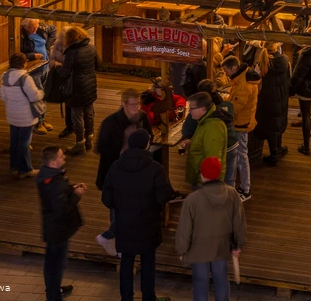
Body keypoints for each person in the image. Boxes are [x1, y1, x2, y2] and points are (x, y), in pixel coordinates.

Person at [102, 129, 174, 301]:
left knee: (126, 263)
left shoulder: (116, 167)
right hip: (148, 225)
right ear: (147, 144)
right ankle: (149, 297)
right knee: (148, 262)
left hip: (125, 225)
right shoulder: (156, 169)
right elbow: (164, 196)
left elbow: (107, 199)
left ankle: (126, 298)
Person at [177, 155, 246, 301]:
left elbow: (184, 228)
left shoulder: (192, 200)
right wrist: (238, 244)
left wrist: (181, 249)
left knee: (200, 283)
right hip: (221, 247)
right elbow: (239, 221)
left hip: (198, 249)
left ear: (202, 174)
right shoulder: (232, 194)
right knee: (221, 281)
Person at [38, 146, 84, 301]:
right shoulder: (53, 183)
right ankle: (53, 295)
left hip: (53, 227)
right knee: (56, 265)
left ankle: (53, 290)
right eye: (60, 156)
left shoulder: (50, 176)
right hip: (58, 229)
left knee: (52, 261)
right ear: (52, 162)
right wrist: (76, 195)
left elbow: (58, 197)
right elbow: (62, 209)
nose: (64, 157)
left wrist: (71, 189)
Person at [96, 89, 155, 193]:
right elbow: (101, 147)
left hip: (137, 166)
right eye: (133, 104)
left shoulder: (142, 117)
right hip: (117, 168)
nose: (137, 107)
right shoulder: (110, 123)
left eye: (138, 103)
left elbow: (150, 135)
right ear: (123, 104)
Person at [0, 53, 44, 180]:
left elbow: (2, 96)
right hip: (25, 116)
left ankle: (14, 167)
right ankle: (25, 169)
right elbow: (34, 96)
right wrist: (41, 92)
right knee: (24, 143)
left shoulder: (5, 76)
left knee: (14, 141)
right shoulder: (25, 78)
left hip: (12, 114)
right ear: (24, 63)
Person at [221, 56, 259, 201]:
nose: (225, 74)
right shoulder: (243, 78)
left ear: (234, 68)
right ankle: (242, 186)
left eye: (226, 71)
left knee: (241, 156)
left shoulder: (243, 86)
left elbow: (234, 109)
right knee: (240, 156)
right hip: (242, 121)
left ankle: (245, 189)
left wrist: (222, 105)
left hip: (240, 124)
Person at [60, 27, 99, 155]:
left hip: (76, 87)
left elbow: (65, 73)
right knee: (89, 112)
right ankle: (90, 138)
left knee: (77, 115)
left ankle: (80, 143)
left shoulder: (72, 52)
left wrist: (57, 70)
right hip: (90, 84)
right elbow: (99, 64)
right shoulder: (92, 47)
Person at [183, 92, 231, 192]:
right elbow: (206, 141)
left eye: (192, 108)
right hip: (201, 178)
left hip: (205, 183)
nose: (189, 111)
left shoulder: (214, 127)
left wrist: (203, 182)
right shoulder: (205, 121)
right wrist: (192, 142)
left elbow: (213, 160)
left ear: (202, 108)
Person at [256, 46, 292, 166]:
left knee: (270, 125)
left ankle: (273, 154)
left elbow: (256, 80)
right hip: (282, 96)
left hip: (267, 98)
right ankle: (278, 147)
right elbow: (289, 78)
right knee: (279, 121)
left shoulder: (262, 63)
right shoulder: (285, 60)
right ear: (277, 47)